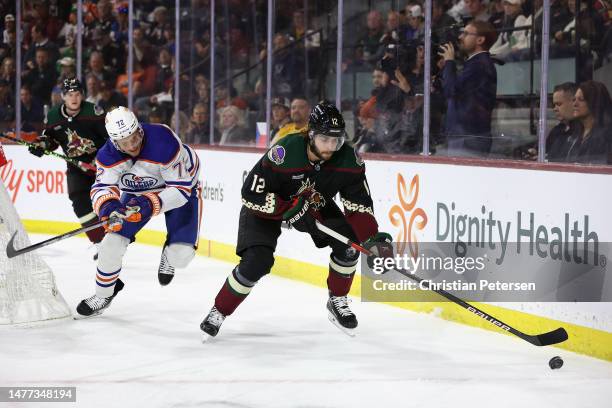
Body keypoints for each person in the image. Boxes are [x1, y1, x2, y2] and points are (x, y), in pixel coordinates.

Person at [199, 101, 393, 339]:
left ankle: (338, 300)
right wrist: (285, 208)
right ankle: (219, 310)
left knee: (350, 245)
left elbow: (359, 205)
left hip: (312, 203)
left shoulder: (348, 160)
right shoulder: (285, 152)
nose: (331, 146)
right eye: (325, 139)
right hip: (268, 206)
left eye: (337, 140)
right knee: (257, 262)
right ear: (310, 134)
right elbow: (250, 194)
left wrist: (371, 238)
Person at [76, 106, 202, 317]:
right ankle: (103, 294)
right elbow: (101, 189)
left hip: (180, 187)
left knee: (182, 256)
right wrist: (109, 208)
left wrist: (149, 205)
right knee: (110, 244)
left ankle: (169, 255)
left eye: (135, 137)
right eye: (125, 143)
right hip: (138, 191)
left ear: (139, 130)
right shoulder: (108, 156)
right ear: (116, 142)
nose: (133, 145)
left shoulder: (163, 140)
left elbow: (180, 190)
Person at [27, 77, 108, 255]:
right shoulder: (54, 116)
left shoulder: (93, 112)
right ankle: (101, 243)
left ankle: (116, 237)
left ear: (83, 95)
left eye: (77, 94)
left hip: (101, 167)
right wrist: (42, 144)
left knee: (105, 202)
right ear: (63, 96)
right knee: (79, 203)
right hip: (76, 167)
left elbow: (110, 139)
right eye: (70, 94)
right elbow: (50, 139)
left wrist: (100, 160)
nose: (74, 98)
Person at [439, 20, 497, 156]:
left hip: (468, 138)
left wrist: (449, 62)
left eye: (466, 34)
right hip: (465, 136)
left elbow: (451, 90)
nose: (460, 37)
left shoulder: (479, 65)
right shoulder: (475, 64)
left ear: (480, 40)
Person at [566, 80, 612, 164]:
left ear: (594, 102)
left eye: (581, 99)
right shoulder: (575, 135)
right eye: (574, 99)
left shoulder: (607, 137)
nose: (575, 104)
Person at [547, 82, 578, 162]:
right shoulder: (557, 131)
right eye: (554, 105)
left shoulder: (582, 133)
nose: (555, 109)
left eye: (559, 104)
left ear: (574, 103)